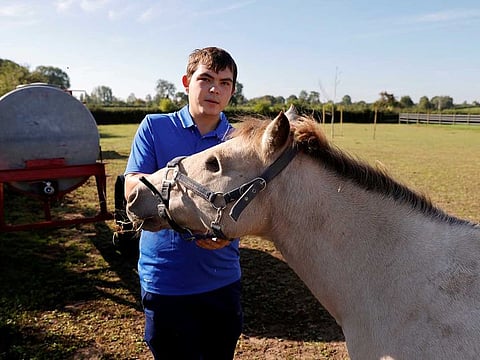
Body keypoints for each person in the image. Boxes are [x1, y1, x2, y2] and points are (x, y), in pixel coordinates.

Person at [124, 47, 242, 359]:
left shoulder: (237, 141)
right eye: (206, 79)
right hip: (166, 281)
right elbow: (132, 188)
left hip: (223, 279)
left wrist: (229, 232)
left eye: (225, 82)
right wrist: (182, 189)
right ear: (186, 82)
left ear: (232, 91)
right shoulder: (154, 127)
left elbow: (247, 204)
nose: (215, 89)